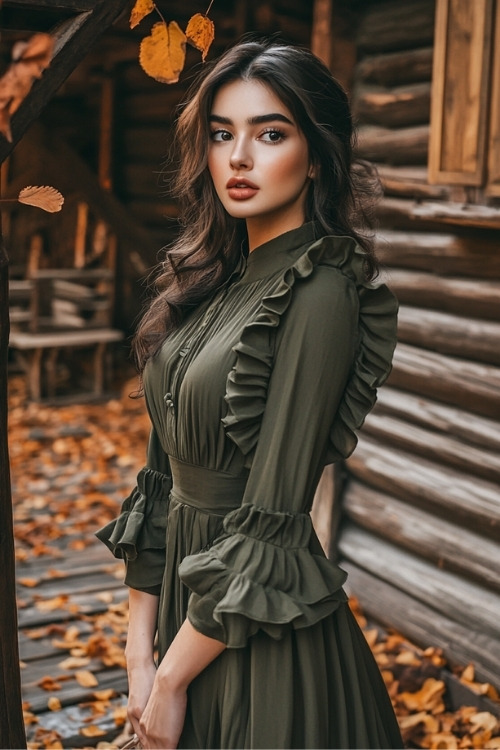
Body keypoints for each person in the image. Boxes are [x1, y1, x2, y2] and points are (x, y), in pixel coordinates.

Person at [97, 37, 402, 749]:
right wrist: (142, 657)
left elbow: (274, 517)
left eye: (270, 134)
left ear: (318, 155)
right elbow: (159, 484)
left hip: (257, 639)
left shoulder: (321, 290)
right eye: (221, 135)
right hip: (179, 618)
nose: (239, 158)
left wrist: (174, 679)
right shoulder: (207, 281)